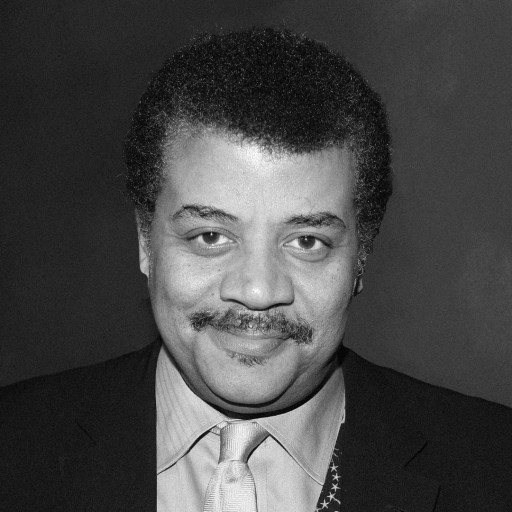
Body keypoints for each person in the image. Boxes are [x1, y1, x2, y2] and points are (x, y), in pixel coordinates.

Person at [1, 26, 511, 512]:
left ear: (362, 255)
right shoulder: (16, 449)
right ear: (144, 241)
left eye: (307, 241)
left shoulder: (494, 469)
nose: (258, 290)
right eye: (211, 237)